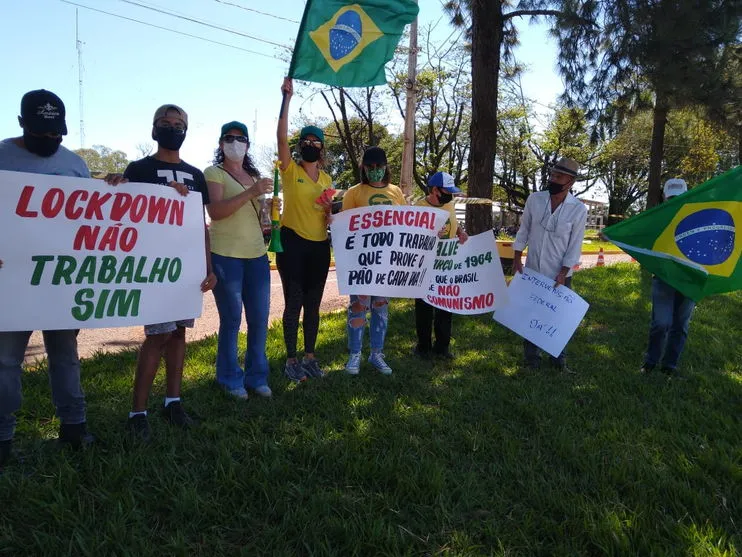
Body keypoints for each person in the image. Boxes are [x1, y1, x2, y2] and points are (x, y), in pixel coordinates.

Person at [0, 89, 94, 466]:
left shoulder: (75, 165)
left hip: (62, 281)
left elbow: (93, 219)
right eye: (41, 133)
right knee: (5, 361)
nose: (50, 140)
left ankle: (74, 427)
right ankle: (3, 437)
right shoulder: (2, 157)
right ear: (22, 124)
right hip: (12, 280)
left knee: (66, 356)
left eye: (56, 133)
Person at [117, 104, 216, 440]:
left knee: (178, 334)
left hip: (186, 267)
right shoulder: (140, 167)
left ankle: (173, 401)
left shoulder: (196, 174)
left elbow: (201, 225)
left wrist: (208, 265)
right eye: (165, 123)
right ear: (154, 128)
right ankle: (137, 412)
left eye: (178, 123)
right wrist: (115, 184)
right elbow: (121, 209)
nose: (172, 128)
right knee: (157, 335)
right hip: (154, 268)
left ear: (186, 130)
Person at [204, 121, 275, 399]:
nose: (235, 143)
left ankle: (257, 377)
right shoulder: (214, 173)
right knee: (232, 320)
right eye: (229, 138)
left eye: (240, 138)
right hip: (226, 255)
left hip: (257, 254)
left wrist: (269, 208)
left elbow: (260, 220)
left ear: (248, 144)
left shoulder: (253, 175)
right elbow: (216, 211)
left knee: (259, 319)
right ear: (221, 144)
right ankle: (230, 378)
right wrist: (252, 192)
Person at [276, 78, 334, 382]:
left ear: (321, 148)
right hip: (292, 244)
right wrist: (286, 99)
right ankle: (291, 359)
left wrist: (328, 211)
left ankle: (310, 357)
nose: (310, 145)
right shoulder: (290, 170)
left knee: (313, 305)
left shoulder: (326, 180)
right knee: (294, 303)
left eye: (316, 142)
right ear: (300, 146)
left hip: (320, 247)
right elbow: (281, 139)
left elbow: (327, 216)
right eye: (306, 142)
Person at [513, 157, 587, 372]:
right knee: (531, 315)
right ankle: (531, 360)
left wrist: (564, 272)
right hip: (533, 269)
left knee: (558, 319)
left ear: (570, 181)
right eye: (552, 175)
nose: (553, 179)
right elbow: (524, 229)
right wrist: (517, 257)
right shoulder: (535, 200)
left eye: (559, 176)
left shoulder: (578, 209)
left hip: (560, 275)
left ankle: (558, 361)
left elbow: (575, 245)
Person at [341, 146, 407, 375]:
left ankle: (377, 353)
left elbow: (408, 224)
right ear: (363, 168)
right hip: (361, 263)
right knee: (358, 307)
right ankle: (355, 354)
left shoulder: (396, 192)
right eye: (370, 167)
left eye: (379, 166)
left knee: (380, 308)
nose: (375, 170)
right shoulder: (354, 193)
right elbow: (344, 227)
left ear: (386, 167)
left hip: (386, 264)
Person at [640, 179, 695, 378]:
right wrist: (613, 235)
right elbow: (638, 234)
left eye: (678, 197)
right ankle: (651, 362)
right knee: (661, 323)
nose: (674, 201)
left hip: (690, 280)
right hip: (664, 278)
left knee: (680, 325)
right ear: (664, 197)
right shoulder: (658, 219)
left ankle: (669, 366)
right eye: (671, 197)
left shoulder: (697, 217)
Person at [413, 172, 468, 360]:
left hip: (446, 266)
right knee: (424, 307)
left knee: (446, 305)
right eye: (446, 191)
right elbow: (412, 236)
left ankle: (442, 346)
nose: (449, 196)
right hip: (425, 266)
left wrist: (461, 232)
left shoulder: (449, 205)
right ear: (434, 190)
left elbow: (455, 222)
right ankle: (423, 346)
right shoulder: (419, 207)